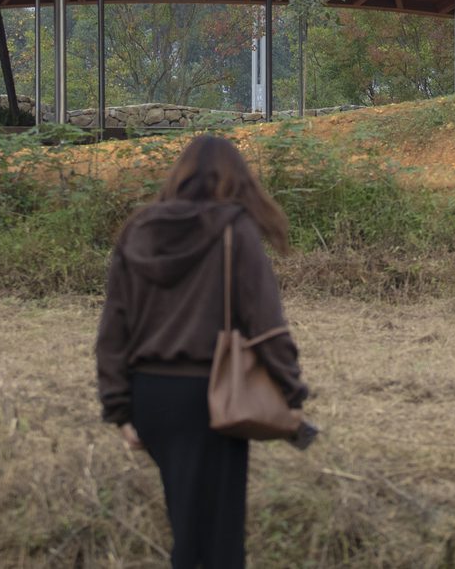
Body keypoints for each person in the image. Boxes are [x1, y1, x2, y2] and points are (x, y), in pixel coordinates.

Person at [96, 134, 309, 568]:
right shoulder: (235, 230)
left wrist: (119, 409)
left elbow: (113, 331)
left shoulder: (137, 230)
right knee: (218, 544)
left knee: (188, 528)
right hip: (211, 399)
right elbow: (266, 326)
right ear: (236, 178)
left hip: (151, 399)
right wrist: (291, 392)